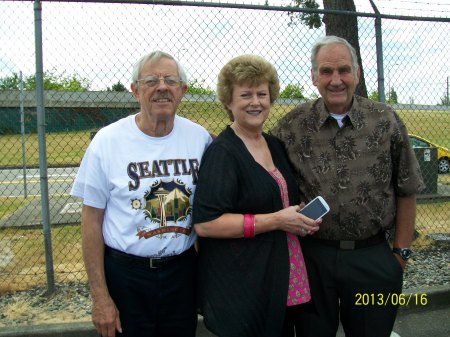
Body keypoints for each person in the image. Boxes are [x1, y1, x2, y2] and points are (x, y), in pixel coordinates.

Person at [271, 35, 425, 337]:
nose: (336, 80)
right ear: (314, 77)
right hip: (312, 260)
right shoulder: (291, 126)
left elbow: (407, 188)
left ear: (357, 73)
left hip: (374, 260)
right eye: (326, 71)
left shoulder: (385, 120)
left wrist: (400, 255)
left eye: (344, 70)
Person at [71, 51, 212, 337]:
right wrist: (100, 297)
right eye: (151, 80)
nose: (162, 87)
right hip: (126, 277)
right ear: (135, 90)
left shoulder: (200, 139)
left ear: (182, 91)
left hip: (181, 273)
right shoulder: (107, 141)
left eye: (171, 80)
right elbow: (91, 220)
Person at [192, 55, 321, 337]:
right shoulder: (223, 153)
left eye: (262, 94)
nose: (256, 102)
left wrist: (297, 217)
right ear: (228, 101)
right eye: (245, 94)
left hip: (279, 274)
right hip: (244, 283)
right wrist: (277, 220)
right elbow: (206, 223)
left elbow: (276, 200)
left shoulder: (273, 144)